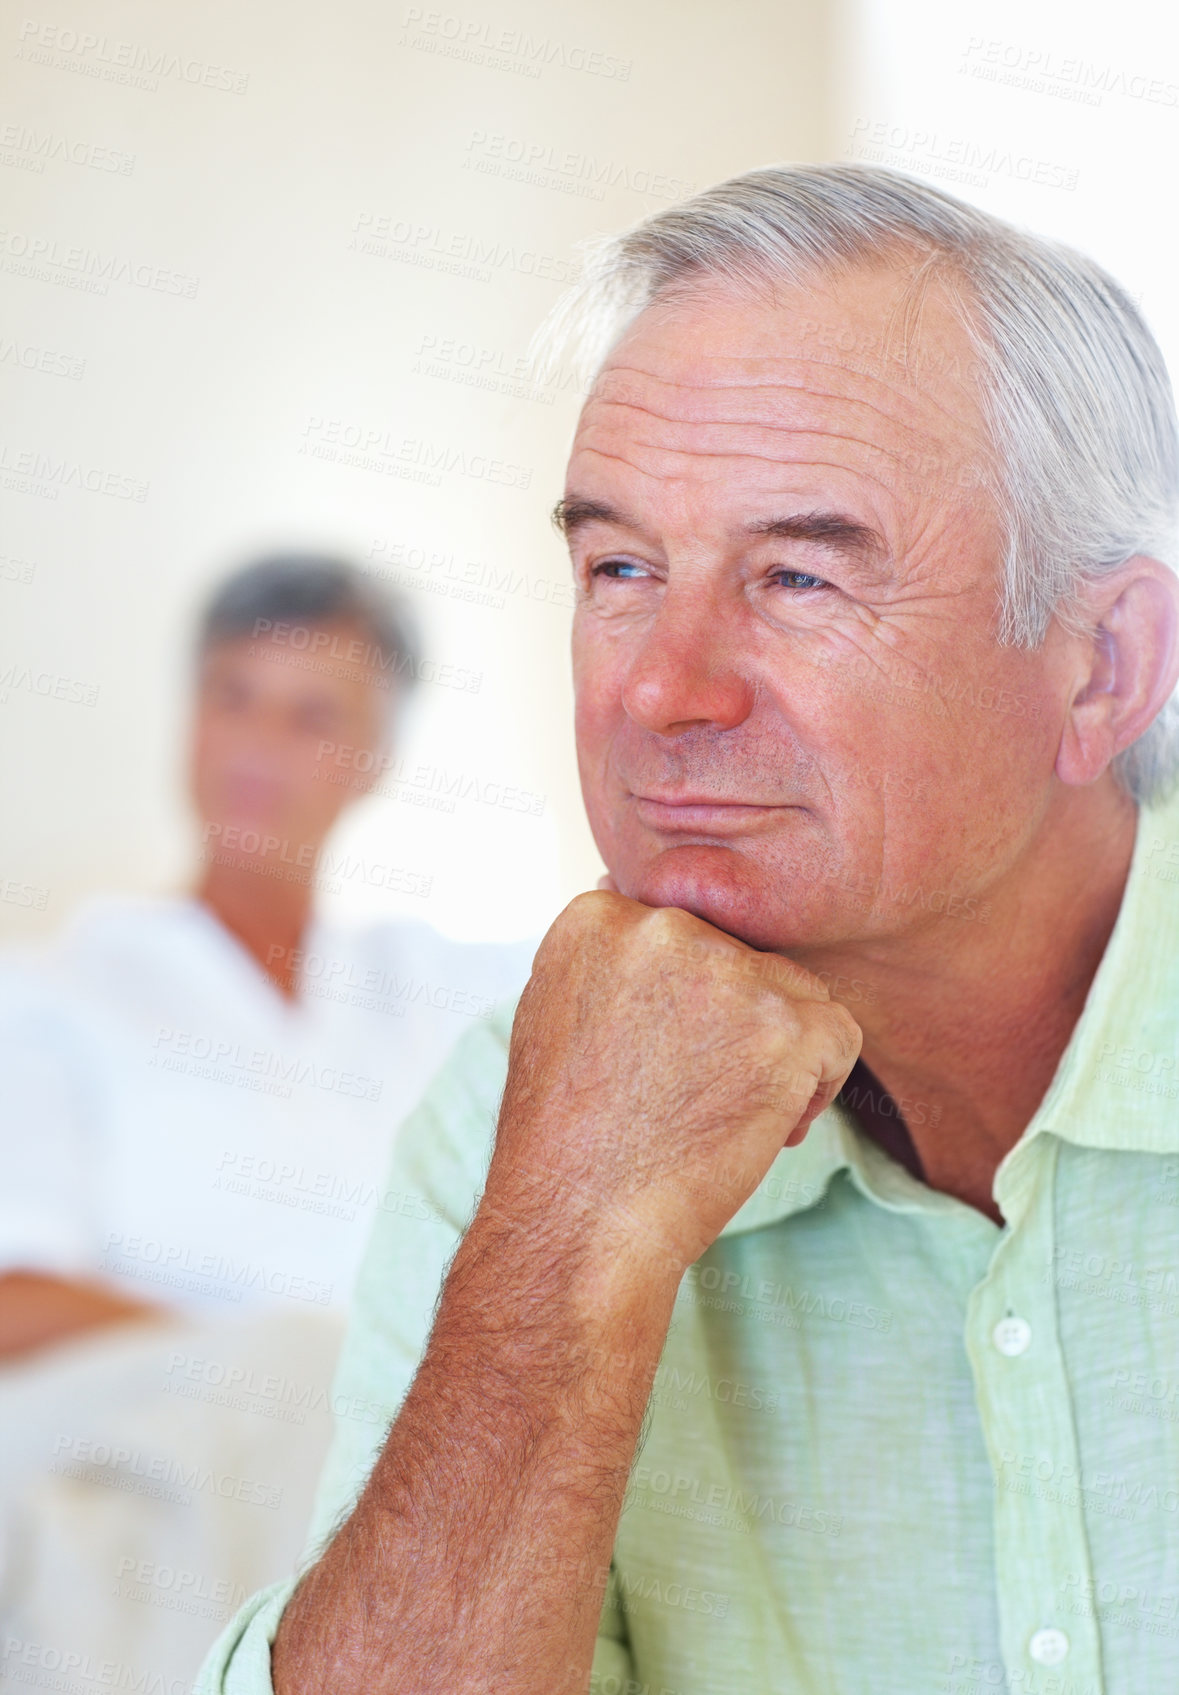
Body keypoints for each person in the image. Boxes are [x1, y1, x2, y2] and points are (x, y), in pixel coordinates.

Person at [200, 166, 1179, 1695]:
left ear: (1101, 666)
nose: (660, 691)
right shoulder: (508, 1122)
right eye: (620, 569)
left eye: (795, 576)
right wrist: (575, 1227)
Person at [0, 554, 535, 1353]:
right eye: (233, 695)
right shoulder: (51, 990)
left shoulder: (434, 987)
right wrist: (294, 1381)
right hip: (167, 1460)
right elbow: (18, 1300)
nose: (259, 743)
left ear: (376, 760)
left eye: (313, 715)